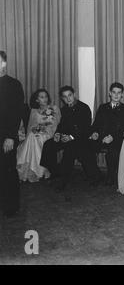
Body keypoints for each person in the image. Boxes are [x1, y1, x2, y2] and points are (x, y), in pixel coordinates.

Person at [40, 86, 102, 191]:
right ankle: (56, 172)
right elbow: (61, 125)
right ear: (62, 99)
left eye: (70, 95)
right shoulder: (64, 109)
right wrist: (58, 134)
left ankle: (63, 180)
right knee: (48, 145)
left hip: (81, 138)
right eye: (65, 97)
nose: (68, 99)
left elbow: (85, 128)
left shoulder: (84, 107)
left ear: (74, 95)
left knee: (70, 149)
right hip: (66, 137)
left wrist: (71, 137)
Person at [89, 83, 124, 186]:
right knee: (86, 147)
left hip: (117, 138)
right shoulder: (103, 107)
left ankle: (111, 176)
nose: (116, 95)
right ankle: (95, 174)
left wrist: (112, 137)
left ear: (122, 95)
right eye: (114, 92)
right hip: (101, 137)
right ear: (110, 93)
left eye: (119, 93)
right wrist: (94, 133)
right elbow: (96, 124)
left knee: (113, 151)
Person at [0, 50, 25, 218]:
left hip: (6, 137)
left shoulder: (14, 84)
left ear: (4, 63)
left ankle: (11, 206)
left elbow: (16, 113)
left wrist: (10, 136)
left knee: (8, 170)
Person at [17, 89, 61, 182]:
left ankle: (40, 170)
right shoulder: (34, 111)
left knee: (38, 137)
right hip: (37, 133)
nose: (44, 99)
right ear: (37, 100)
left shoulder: (54, 108)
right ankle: (33, 170)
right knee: (32, 136)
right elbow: (31, 125)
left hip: (50, 133)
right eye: (41, 97)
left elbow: (58, 124)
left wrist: (45, 129)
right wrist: (36, 129)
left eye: (45, 96)